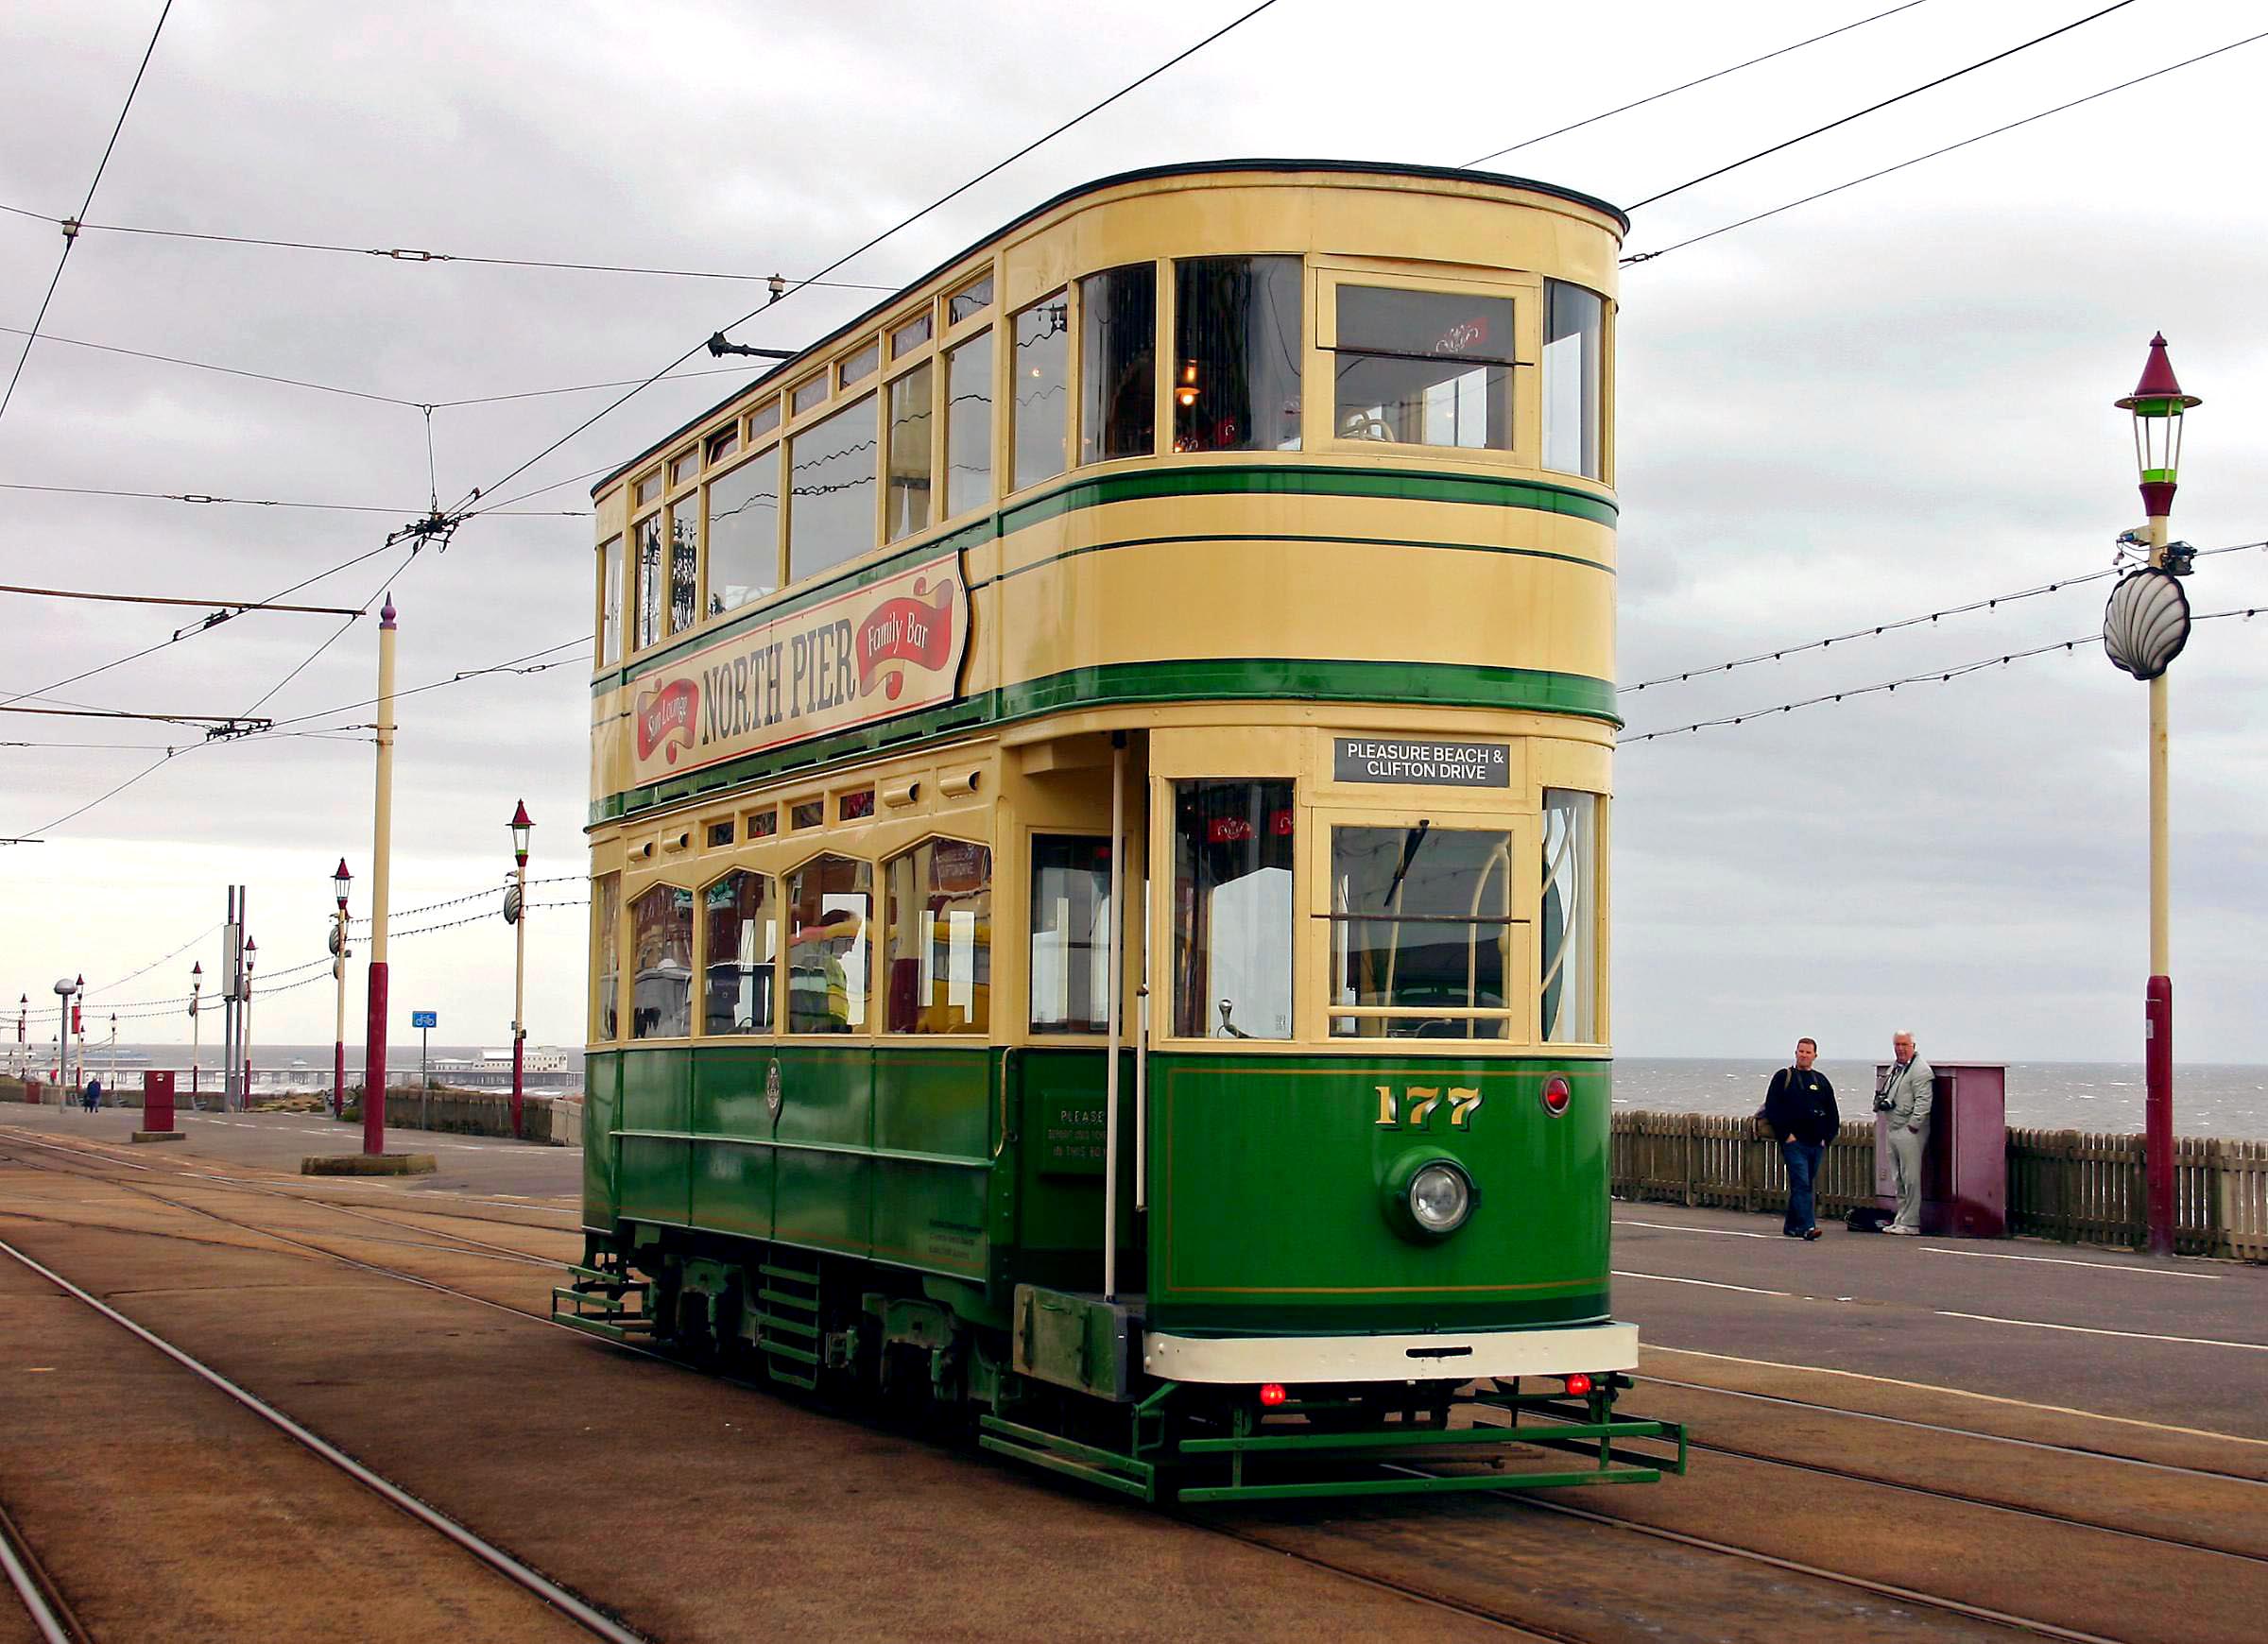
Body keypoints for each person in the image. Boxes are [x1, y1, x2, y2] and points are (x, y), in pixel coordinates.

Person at [1762, 1038, 1838, 1240]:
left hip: (1816, 1144)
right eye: (1801, 1051)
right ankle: (1808, 1227)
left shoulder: (1820, 1081)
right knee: (1802, 1183)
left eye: (1808, 1052)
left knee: (1804, 1185)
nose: (1804, 1055)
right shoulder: (1784, 1077)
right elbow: (1773, 1107)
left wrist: (1826, 1138)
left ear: (1815, 1055)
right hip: (1794, 1143)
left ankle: (1792, 1226)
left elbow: (1832, 1112)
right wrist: (1786, 1135)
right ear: (1795, 1053)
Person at [1875, 1031, 1933, 1234]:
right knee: (1897, 1176)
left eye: (1904, 1044)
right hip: (1893, 1126)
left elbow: (1924, 1101)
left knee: (1911, 1177)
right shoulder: (1896, 1068)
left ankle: (1911, 1222)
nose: (1900, 1048)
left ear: (1913, 1045)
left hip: (1908, 1130)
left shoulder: (1920, 1071)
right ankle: (1901, 1218)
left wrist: (1913, 1125)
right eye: (1897, 1044)